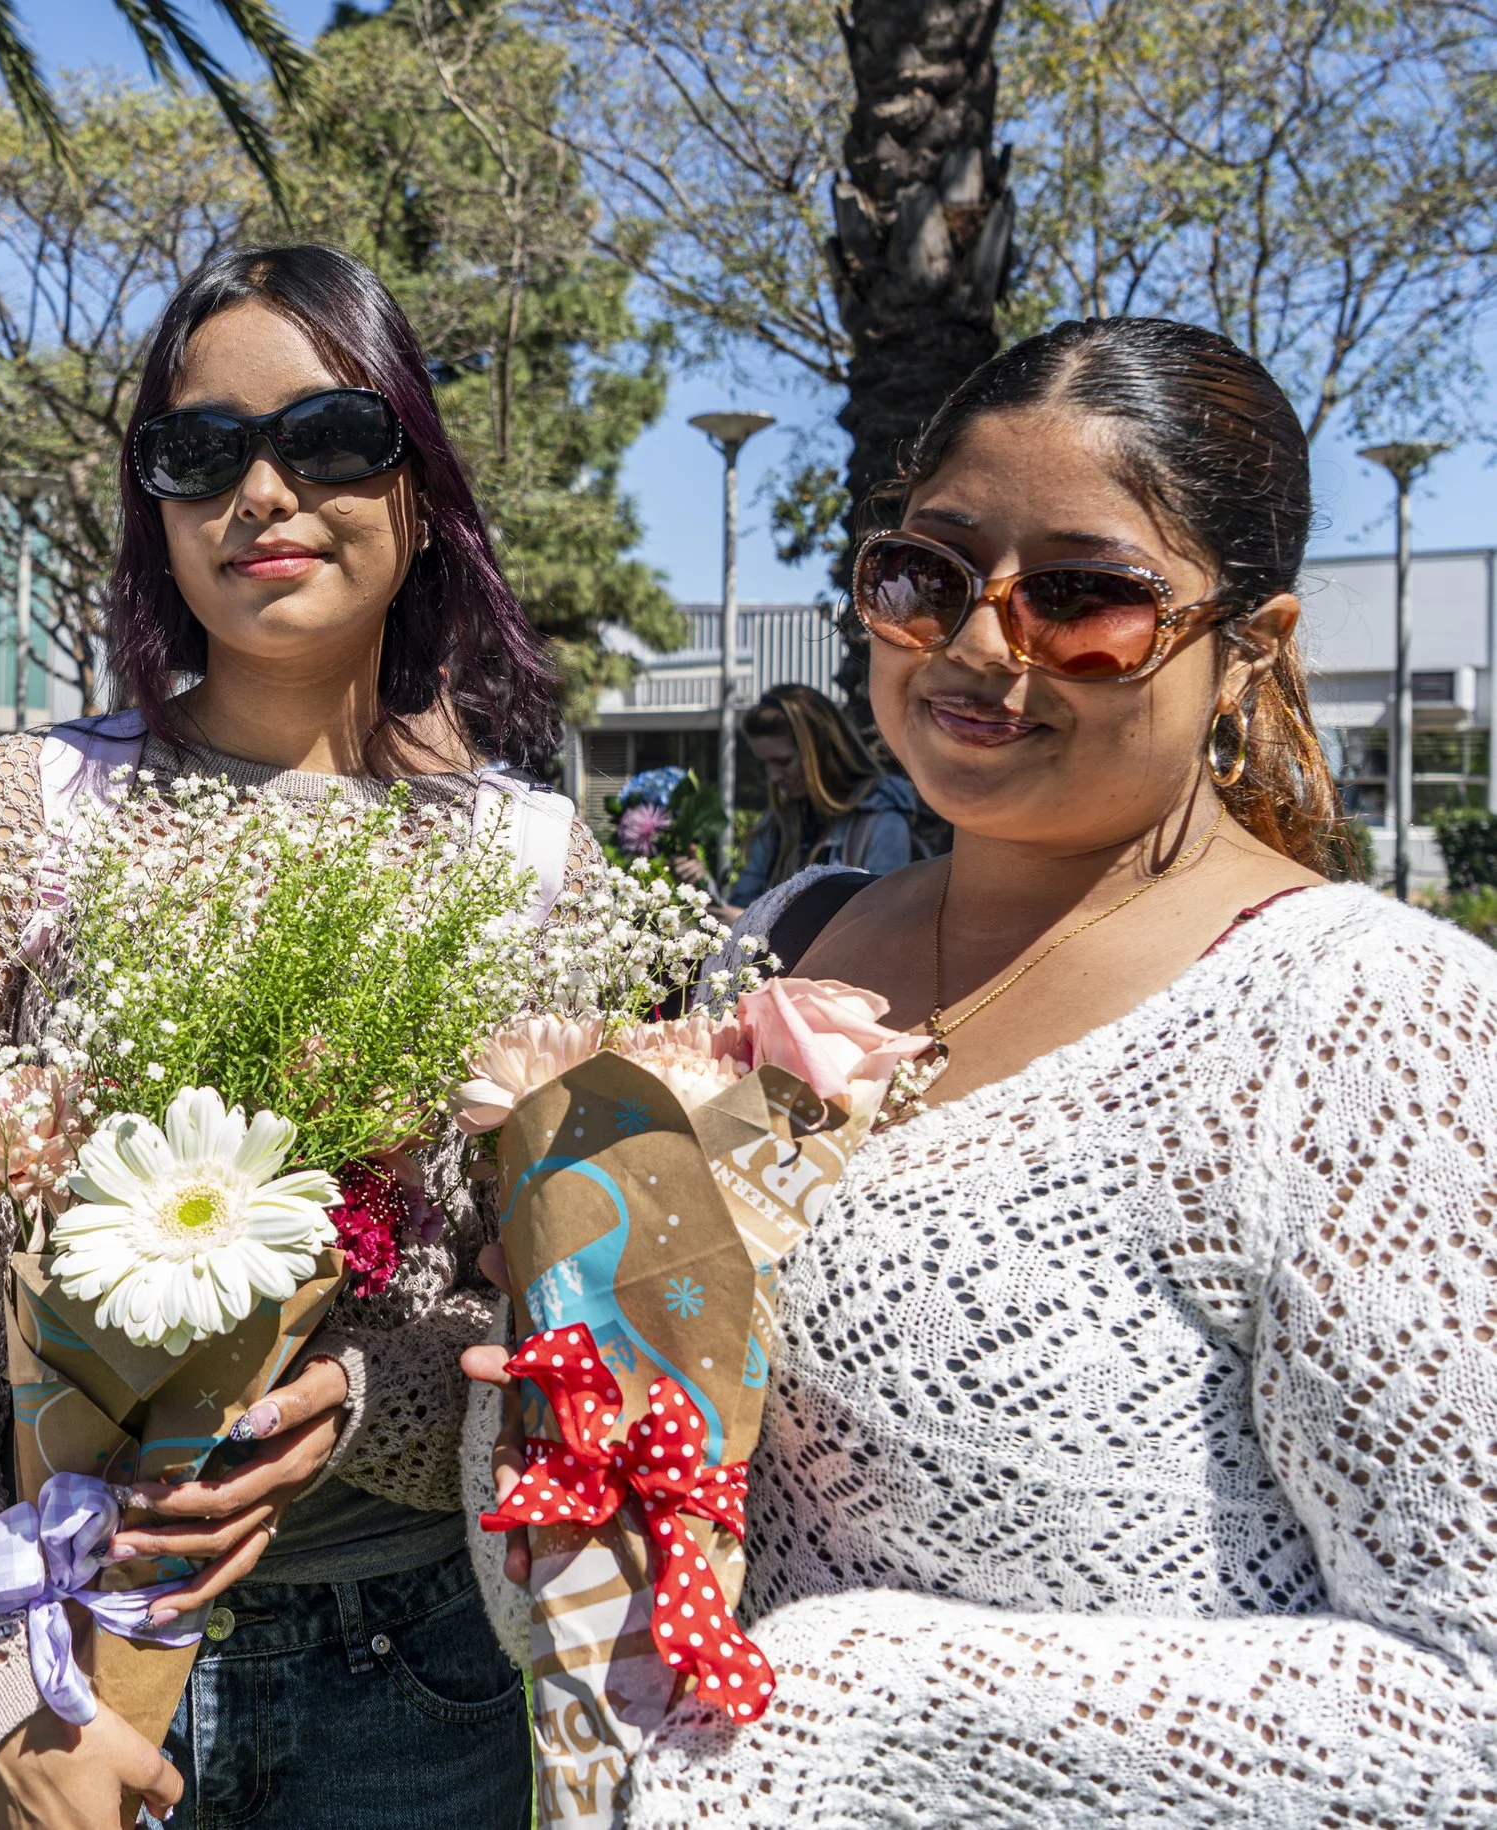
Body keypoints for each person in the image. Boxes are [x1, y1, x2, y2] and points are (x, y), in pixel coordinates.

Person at [488, 317, 1497, 1823]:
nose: (977, 648)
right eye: (925, 577)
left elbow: (1468, 1710)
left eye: (1084, 600)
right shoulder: (775, 940)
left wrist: (857, 1708)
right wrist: (541, 1434)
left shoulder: (1376, 1024)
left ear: (1252, 650)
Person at [0, 244, 588, 1830]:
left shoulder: (533, 862)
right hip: (54, 1652)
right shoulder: (21, 811)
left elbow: (558, 1321)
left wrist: (350, 1409)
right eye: (199, 453)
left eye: (329, 439)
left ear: (419, 482)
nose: (264, 491)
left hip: (403, 1673)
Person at [678, 682, 917, 916]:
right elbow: (742, 906)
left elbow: (881, 923)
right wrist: (703, 888)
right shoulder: (778, 822)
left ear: (821, 751)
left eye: (783, 762)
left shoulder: (882, 822)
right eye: (765, 764)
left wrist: (742, 922)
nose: (773, 776)